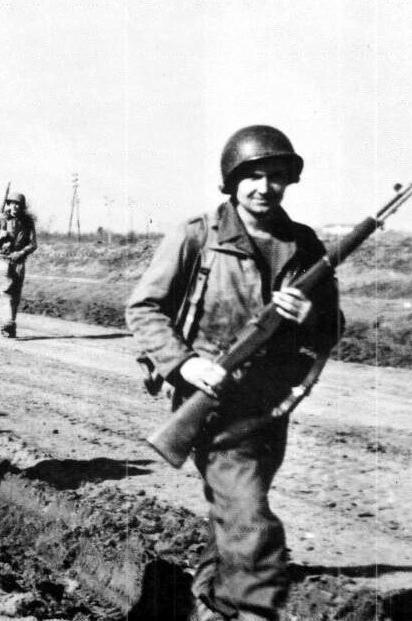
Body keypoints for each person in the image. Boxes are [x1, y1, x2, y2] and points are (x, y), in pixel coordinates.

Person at [125, 125, 343, 621]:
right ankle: (249, 608)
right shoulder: (196, 235)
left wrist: (307, 312)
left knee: (239, 507)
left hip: (270, 406)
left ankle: (210, 598)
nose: (264, 187)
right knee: (250, 520)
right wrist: (185, 364)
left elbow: (332, 324)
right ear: (232, 180)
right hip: (213, 401)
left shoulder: (305, 245)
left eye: (276, 177)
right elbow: (144, 308)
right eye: (253, 176)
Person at [0, 191, 38, 338]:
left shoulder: (28, 222)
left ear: (22, 206)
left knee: (16, 294)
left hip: (19, 261)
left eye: (18, 204)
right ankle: (8, 322)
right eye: (13, 203)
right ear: (8, 204)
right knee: (5, 291)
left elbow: (33, 244)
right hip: (3, 259)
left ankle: (10, 322)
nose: (15, 206)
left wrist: (21, 253)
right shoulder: (0, 219)